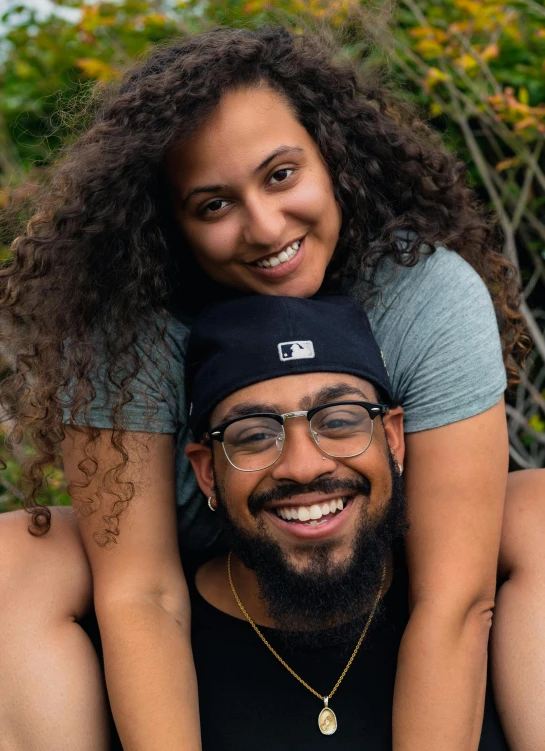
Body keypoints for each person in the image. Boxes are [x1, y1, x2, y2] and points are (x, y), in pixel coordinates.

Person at [0, 24, 543, 751]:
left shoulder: (424, 295)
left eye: (281, 174)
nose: (264, 226)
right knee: (18, 555)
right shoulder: (125, 329)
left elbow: (456, 595)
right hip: (224, 563)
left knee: (537, 511)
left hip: (380, 541)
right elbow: (142, 592)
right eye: (214, 204)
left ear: (334, 160)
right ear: (173, 225)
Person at [184, 293, 508, 750]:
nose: (303, 466)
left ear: (393, 440)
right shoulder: (141, 664)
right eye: (256, 434)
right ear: (206, 472)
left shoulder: (505, 615)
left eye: (338, 422)